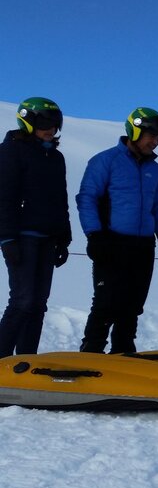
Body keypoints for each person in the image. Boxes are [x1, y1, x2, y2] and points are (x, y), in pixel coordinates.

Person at [76, 107, 158, 354]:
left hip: (142, 246)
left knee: (133, 305)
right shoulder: (105, 161)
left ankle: (123, 351)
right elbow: (87, 198)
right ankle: (91, 351)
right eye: (151, 135)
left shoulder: (155, 170)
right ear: (135, 130)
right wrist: (94, 235)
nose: (156, 142)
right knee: (106, 302)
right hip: (111, 242)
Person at [0, 98, 71, 357]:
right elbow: (4, 197)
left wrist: (64, 237)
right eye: (44, 122)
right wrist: (7, 239)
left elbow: (60, 199)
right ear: (27, 121)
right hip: (22, 238)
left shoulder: (55, 157)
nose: (50, 128)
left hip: (48, 238)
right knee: (22, 301)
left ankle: (26, 364)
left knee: (39, 304)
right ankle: (1, 364)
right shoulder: (10, 151)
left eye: (55, 123)